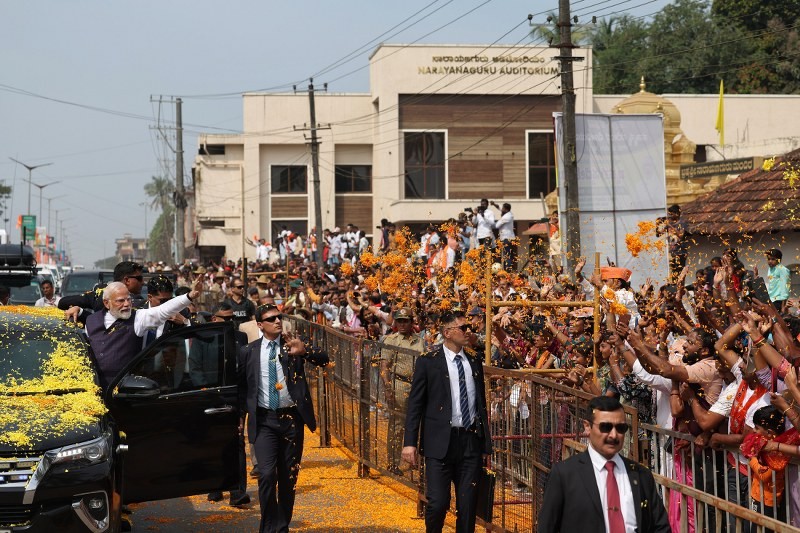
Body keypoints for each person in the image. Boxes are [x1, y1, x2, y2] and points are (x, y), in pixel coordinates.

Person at [238, 305, 329, 533]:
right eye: (271, 319)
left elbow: (325, 359)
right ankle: (269, 526)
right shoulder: (249, 351)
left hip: (291, 420)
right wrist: (239, 417)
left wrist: (304, 352)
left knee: (288, 479)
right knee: (267, 474)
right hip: (265, 419)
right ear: (260, 325)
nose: (278, 321)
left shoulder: (293, 345)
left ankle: (280, 527)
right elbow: (242, 388)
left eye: (279, 317)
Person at [402, 310, 492, 533]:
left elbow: (481, 404)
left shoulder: (473, 360)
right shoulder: (428, 362)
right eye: (463, 328)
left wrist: (485, 444)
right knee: (438, 503)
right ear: (447, 333)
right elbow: (415, 405)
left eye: (468, 327)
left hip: (470, 441)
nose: (468, 332)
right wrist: (409, 442)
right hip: (439, 442)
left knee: (468, 505)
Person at [537, 396, 670, 533]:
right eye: (605, 427)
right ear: (587, 427)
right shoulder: (565, 475)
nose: (613, 435)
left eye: (620, 428)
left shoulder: (641, 475)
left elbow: (660, 527)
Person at [84, 278, 202, 391]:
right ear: (106, 303)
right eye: (120, 301)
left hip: (125, 390)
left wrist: (189, 296)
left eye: (128, 299)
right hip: (94, 389)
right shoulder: (91, 321)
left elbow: (162, 311)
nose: (126, 304)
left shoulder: (138, 318)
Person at [380, 308, 424, 474]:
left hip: (417, 386)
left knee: (418, 424)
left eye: (406, 321)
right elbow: (385, 366)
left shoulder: (419, 341)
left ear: (411, 322)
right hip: (399, 384)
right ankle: (392, 462)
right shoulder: (391, 340)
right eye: (400, 321)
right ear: (396, 323)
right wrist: (388, 388)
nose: (403, 324)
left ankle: (415, 460)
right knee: (397, 425)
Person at [765, 248, 791, 313]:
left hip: (778, 301)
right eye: (768, 259)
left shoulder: (782, 270)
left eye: (773, 259)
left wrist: (783, 306)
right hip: (771, 300)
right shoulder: (770, 269)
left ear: (779, 260)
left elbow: (785, 288)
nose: (770, 261)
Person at [494, 202, 516, 271]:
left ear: (506, 210)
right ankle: (507, 269)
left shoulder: (506, 217)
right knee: (507, 255)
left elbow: (497, 225)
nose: (501, 209)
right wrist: (495, 205)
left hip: (507, 238)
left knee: (507, 255)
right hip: (507, 238)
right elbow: (500, 208)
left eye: (503, 208)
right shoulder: (509, 213)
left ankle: (508, 270)